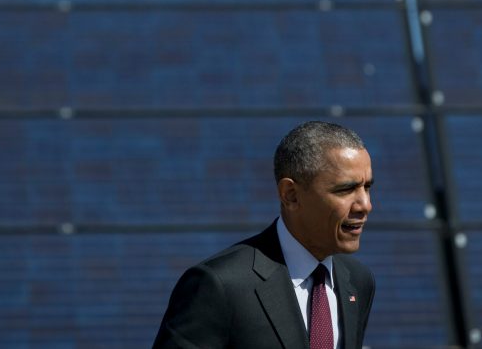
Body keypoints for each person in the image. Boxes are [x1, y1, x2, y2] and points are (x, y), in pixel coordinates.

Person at [153, 121, 375, 349]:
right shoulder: (219, 285)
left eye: (367, 187)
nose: (365, 205)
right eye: (346, 189)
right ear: (290, 195)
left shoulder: (357, 281)